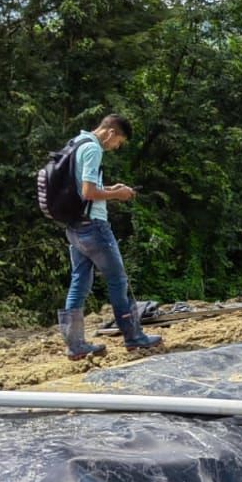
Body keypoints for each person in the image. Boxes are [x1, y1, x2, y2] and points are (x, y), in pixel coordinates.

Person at [56, 113, 162, 358]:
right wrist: (118, 195)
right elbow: (89, 191)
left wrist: (111, 188)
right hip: (94, 227)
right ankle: (134, 337)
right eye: (119, 142)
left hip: (74, 225)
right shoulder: (93, 149)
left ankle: (75, 345)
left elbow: (83, 189)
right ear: (111, 132)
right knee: (118, 280)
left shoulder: (76, 143)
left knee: (79, 281)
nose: (117, 147)